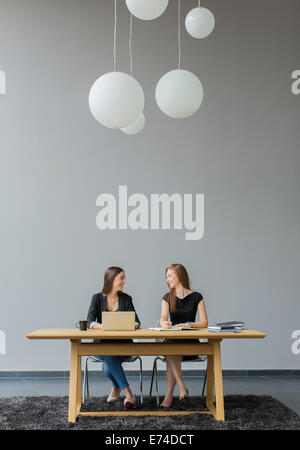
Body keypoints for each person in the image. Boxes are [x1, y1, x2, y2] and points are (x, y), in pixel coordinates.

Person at [87, 266, 140, 409]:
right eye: (121, 278)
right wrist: (105, 327)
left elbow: (137, 322)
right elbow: (90, 322)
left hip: (124, 346)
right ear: (111, 280)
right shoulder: (97, 298)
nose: (124, 281)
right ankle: (128, 393)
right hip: (101, 345)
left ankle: (116, 388)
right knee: (108, 354)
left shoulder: (126, 299)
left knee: (106, 367)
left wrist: (128, 325)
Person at [159, 263, 208, 408]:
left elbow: (204, 322)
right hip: (173, 341)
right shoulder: (167, 297)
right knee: (171, 349)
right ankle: (181, 387)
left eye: (169, 276)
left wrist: (188, 325)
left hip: (191, 343)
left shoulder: (197, 297)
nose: (167, 280)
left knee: (170, 353)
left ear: (179, 275)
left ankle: (169, 397)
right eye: (166, 277)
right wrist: (164, 323)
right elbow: (163, 317)